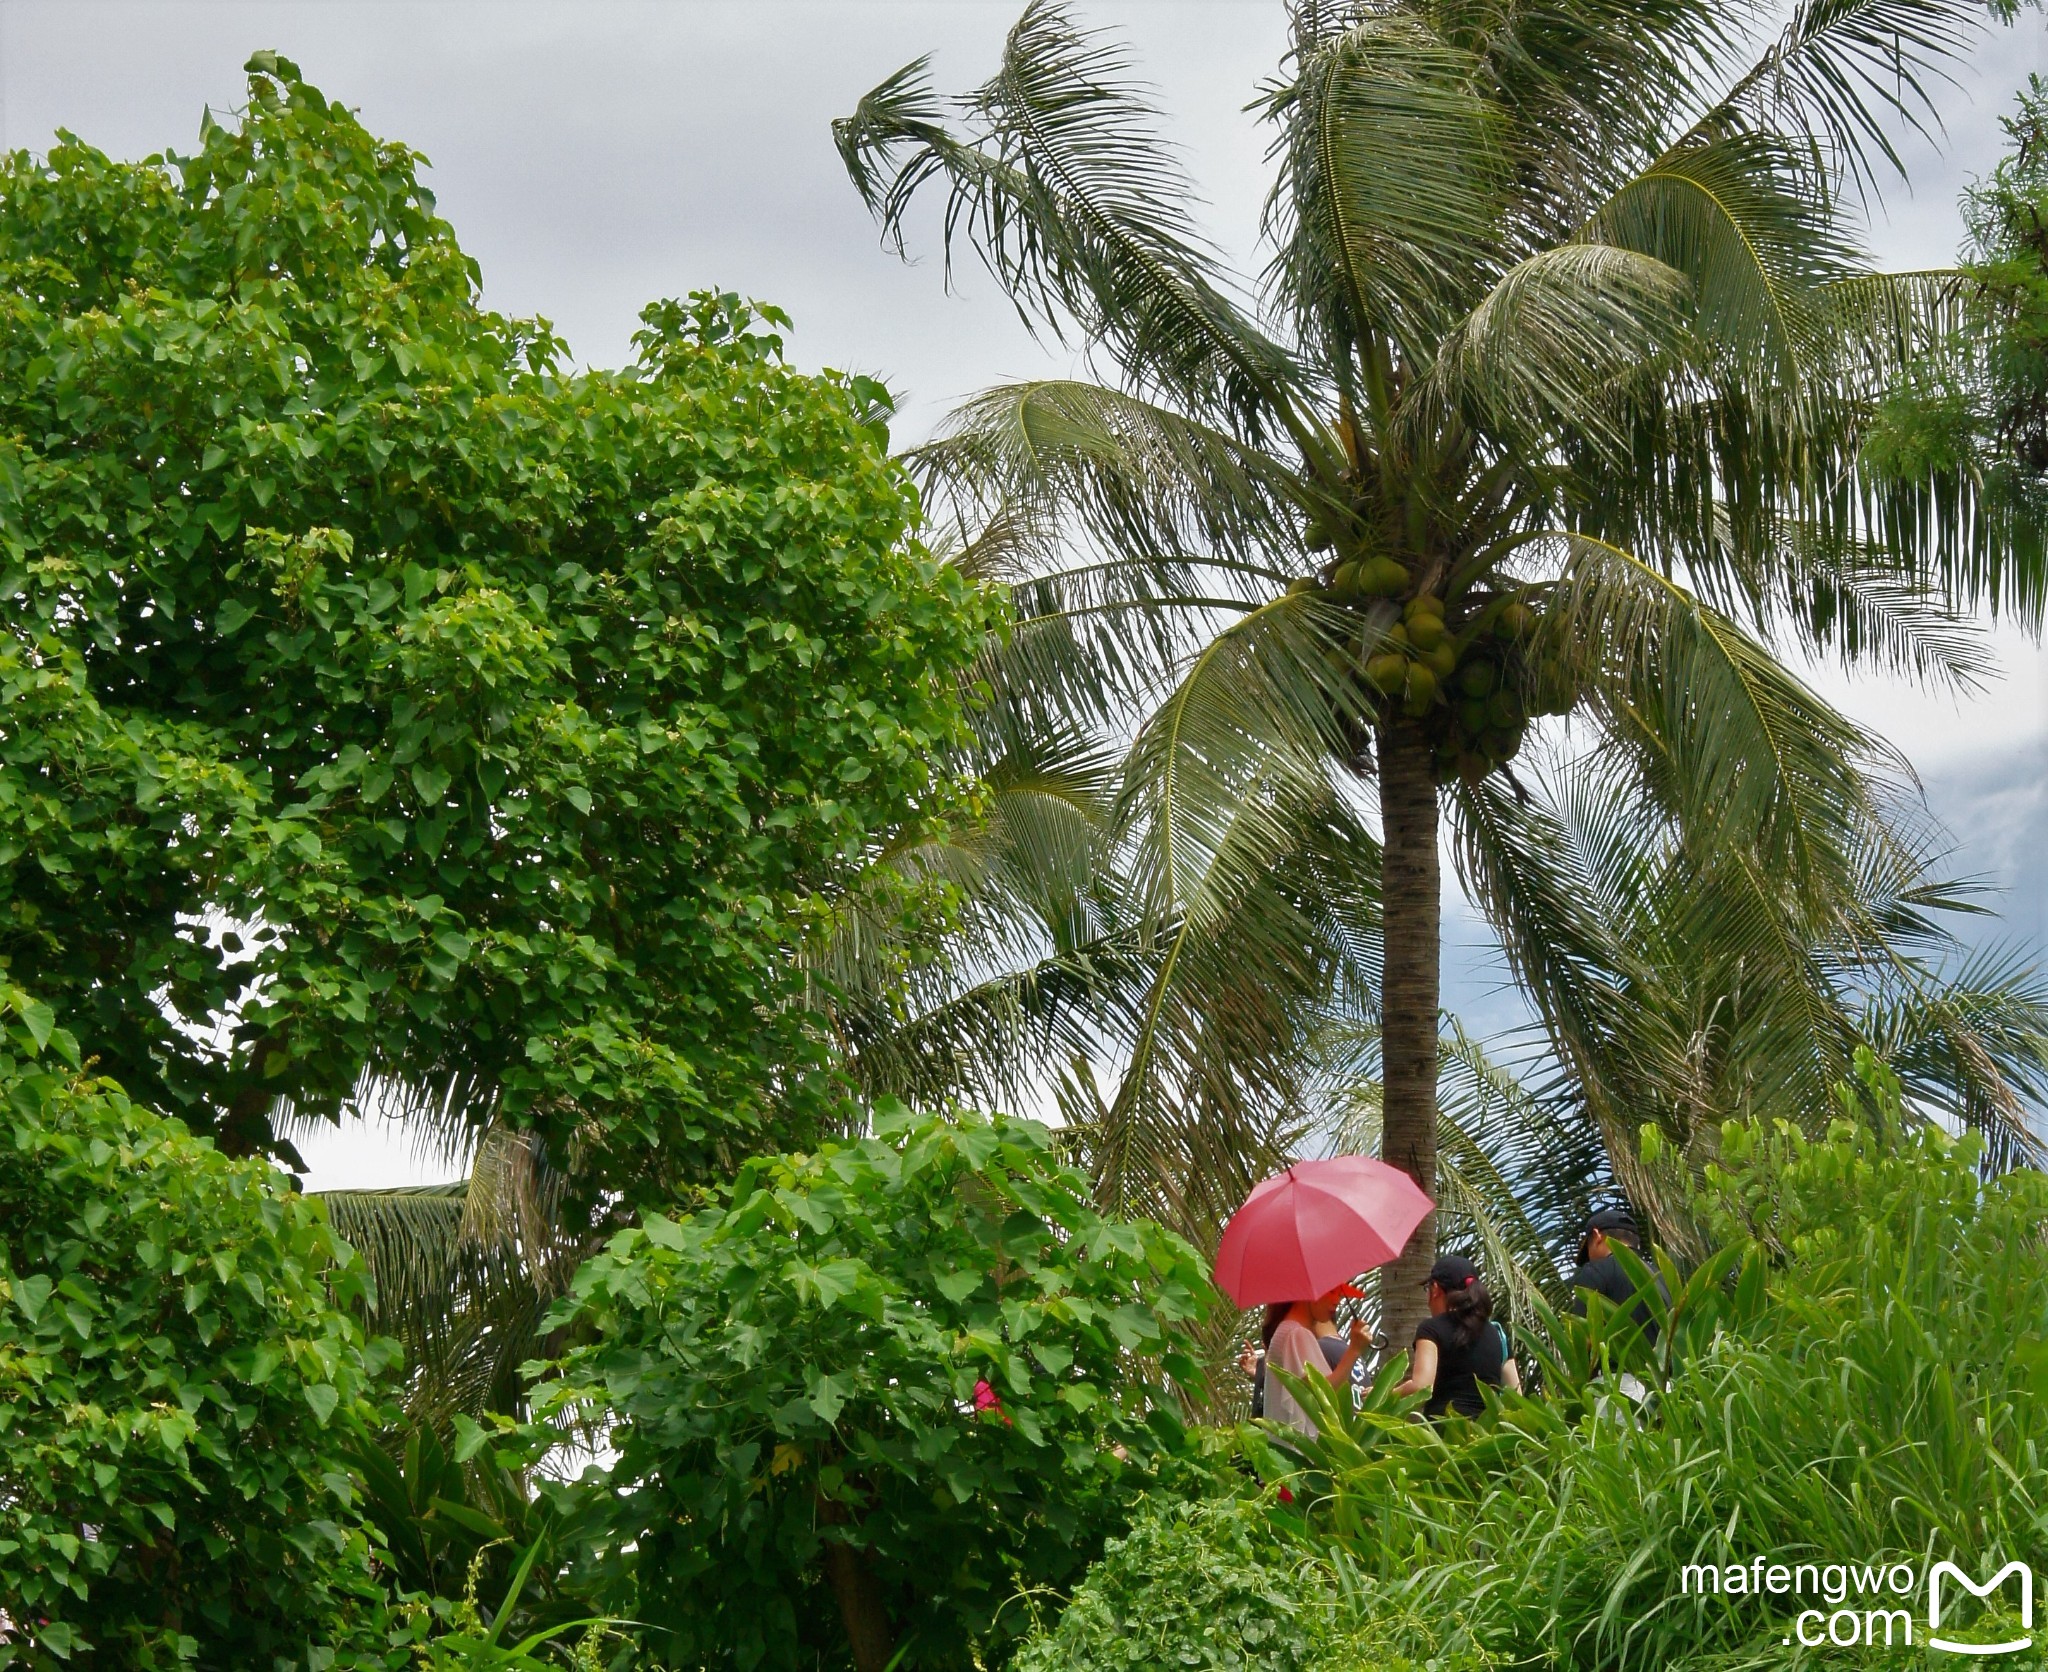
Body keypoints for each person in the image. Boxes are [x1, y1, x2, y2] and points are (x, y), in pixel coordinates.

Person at [1392, 1254, 1520, 1418]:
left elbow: (1422, 1386)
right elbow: (1515, 1395)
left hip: (1446, 1435)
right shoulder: (1497, 1334)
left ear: (1435, 1289)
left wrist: (1385, 1394)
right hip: (1488, 1436)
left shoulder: (1430, 1329)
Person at [1241, 1285, 1373, 1437]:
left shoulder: (1286, 1331)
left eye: (1338, 1293)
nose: (1337, 1300)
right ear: (1309, 1291)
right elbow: (1324, 1393)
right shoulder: (1296, 1334)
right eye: (1330, 1291)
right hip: (1299, 1450)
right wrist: (1354, 1349)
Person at [1570, 1206, 1668, 1339]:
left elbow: (1581, 1338)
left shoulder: (1595, 1270)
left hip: (1619, 1359)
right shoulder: (1662, 1277)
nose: (1590, 1258)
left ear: (1597, 1236)